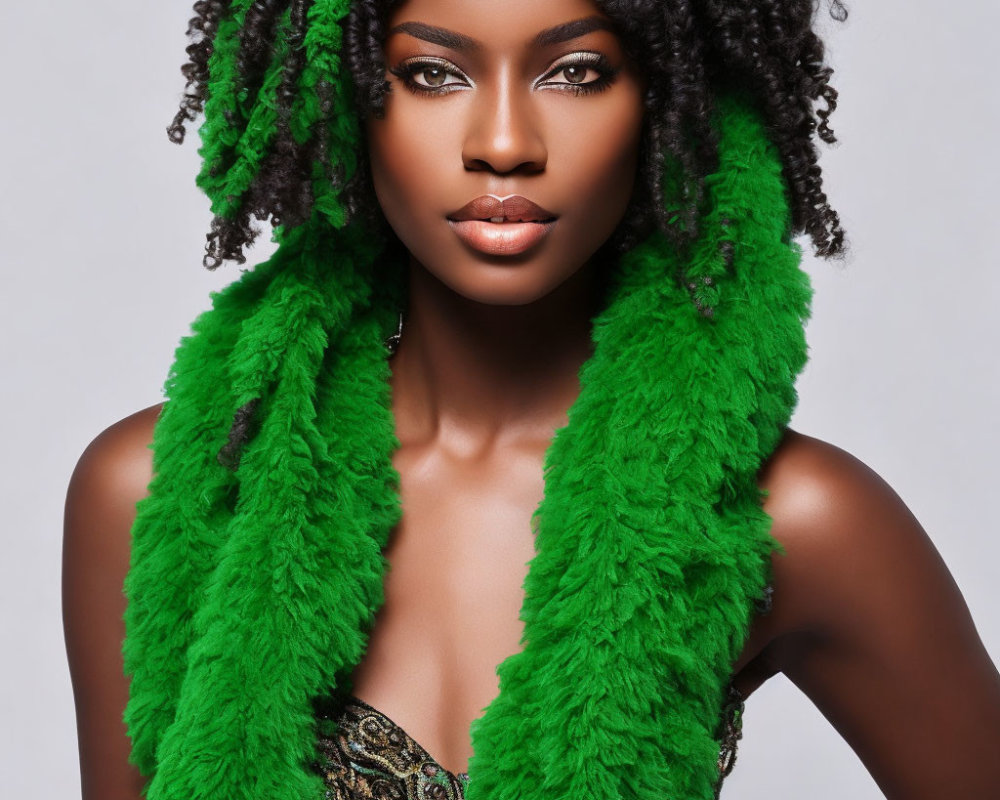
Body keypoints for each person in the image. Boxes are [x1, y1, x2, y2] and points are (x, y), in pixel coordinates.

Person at [62, 1, 1000, 799]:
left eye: (578, 72)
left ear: (672, 97)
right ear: (342, 97)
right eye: (432, 76)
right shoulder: (150, 492)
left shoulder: (801, 520)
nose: (503, 144)